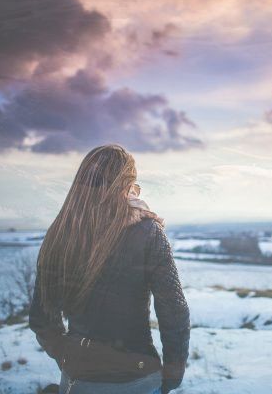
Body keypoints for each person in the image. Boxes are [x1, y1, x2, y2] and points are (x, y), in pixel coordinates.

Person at [28, 144, 190, 394]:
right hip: (137, 378)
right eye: (133, 185)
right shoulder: (147, 232)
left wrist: (69, 357)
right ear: (125, 185)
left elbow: (42, 318)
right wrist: (172, 373)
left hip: (77, 381)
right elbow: (174, 311)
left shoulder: (60, 234)